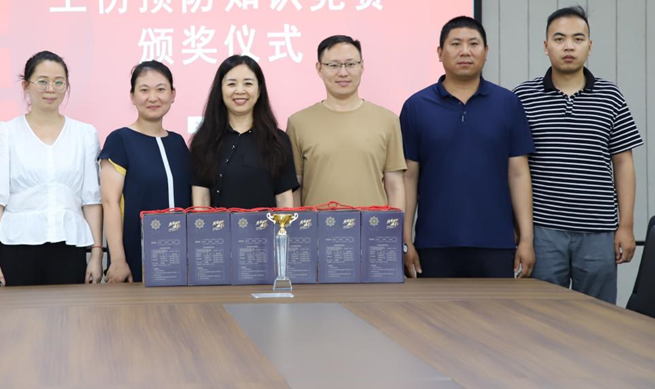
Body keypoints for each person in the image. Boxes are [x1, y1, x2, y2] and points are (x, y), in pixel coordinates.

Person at [514, 6, 643, 303]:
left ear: (590, 46)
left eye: (578, 39)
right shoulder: (523, 97)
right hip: (543, 230)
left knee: (598, 317)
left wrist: (626, 226)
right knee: (541, 315)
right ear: (546, 46)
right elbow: (515, 169)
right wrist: (522, 233)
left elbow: (623, 163)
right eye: (559, 39)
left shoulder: (610, 96)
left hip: (599, 231)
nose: (569, 46)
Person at [400, 16, 535, 279]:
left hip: (496, 244)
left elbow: (519, 173)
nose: (465, 51)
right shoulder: (416, 106)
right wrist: (405, 241)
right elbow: (409, 177)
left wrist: (526, 239)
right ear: (440, 52)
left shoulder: (508, 103)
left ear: (486, 51)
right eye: (455, 44)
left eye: (473, 44)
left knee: (496, 308)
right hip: (434, 245)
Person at [0, 51, 103, 287]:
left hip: (68, 248)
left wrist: (96, 255)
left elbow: (91, 200)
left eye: (59, 82)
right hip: (16, 248)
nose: (50, 89)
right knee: (18, 312)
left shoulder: (84, 134)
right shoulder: (5, 133)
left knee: (68, 311)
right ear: (26, 85)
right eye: (42, 81)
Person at [286, 35, 405, 209]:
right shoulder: (298, 123)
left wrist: (398, 225)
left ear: (362, 66)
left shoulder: (388, 120)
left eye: (350, 64)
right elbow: (295, 187)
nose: (343, 73)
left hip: (372, 225)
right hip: (317, 225)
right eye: (333, 65)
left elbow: (395, 185)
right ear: (319, 68)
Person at [99, 61, 191, 283]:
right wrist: (118, 260)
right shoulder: (120, 140)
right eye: (144, 90)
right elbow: (110, 203)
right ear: (132, 96)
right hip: (134, 257)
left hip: (181, 259)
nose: (153, 97)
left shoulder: (178, 143)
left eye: (160, 89)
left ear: (172, 94)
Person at [191, 55, 298, 209]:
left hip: (266, 225)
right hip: (219, 226)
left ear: (259, 90)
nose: (240, 91)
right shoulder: (204, 140)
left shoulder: (278, 140)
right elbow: (200, 200)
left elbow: (283, 200)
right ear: (220, 90)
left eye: (248, 83)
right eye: (231, 84)